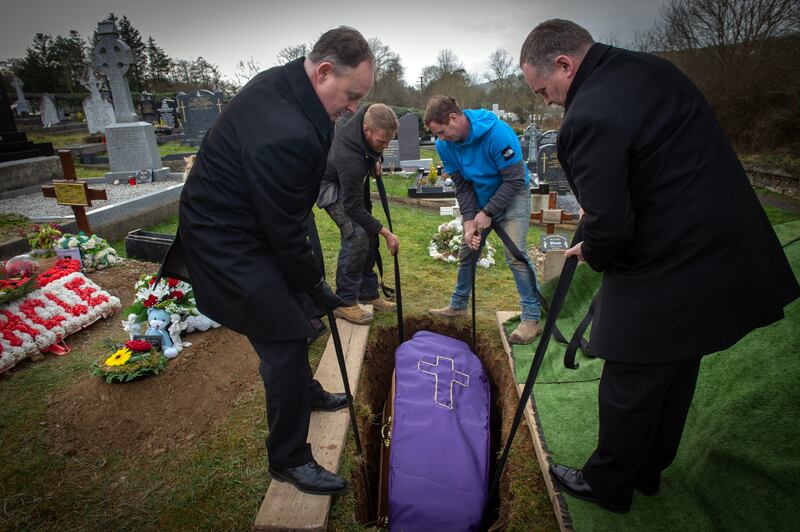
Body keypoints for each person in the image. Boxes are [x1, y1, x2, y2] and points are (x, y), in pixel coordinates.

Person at [519, 19, 800, 513]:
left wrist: (594, 249)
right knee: (676, 361)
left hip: (667, 254)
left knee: (629, 375)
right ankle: (647, 470)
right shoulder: (653, 71)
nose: (547, 101)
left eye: (544, 89)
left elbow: (609, 225)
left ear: (565, 64)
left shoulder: (588, 114)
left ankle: (608, 484)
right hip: (716, 244)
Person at [158, 27, 375, 496]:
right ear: (321, 72)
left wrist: (310, 286)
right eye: (351, 95)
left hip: (257, 221)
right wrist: (314, 285)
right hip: (228, 240)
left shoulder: (292, 86)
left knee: (301, 315)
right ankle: (289, 458)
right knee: (284, 343)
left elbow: (288, 215)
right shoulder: (286, 131)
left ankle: (308, 395)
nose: (353, 108)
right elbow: (282, 227)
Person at [424, 95, 542, 344]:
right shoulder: (445, 146)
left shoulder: (498, 133)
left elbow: (515, 179)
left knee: (516, 255)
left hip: (513, 195)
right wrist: (469, 220)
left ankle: (532, 317)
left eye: (442, 131)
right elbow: (462, 184)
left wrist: (487, 212)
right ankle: (458, 305)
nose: (440, 138)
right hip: (479, 197)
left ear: (454, 118)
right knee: (467, 251)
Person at [319, 103, 400, 325]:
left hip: (348, 181)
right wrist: (386, 233)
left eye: (388, 142)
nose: (384, 146)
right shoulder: (350, 158)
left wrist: (376, 158)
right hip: (330, 186)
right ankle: (344, 303)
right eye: (380, 142)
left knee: (369, 233)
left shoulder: (367, 114)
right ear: (366, 130)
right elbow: (353, 207)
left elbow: (374, 148)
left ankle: (368, 293)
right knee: (357, 235)